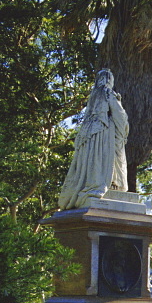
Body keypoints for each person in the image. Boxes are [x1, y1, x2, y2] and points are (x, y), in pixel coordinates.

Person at [58, 69, 129, 210]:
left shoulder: (93, 96)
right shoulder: (108, 93)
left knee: (92, 161)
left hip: (89, 134)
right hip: (105, 133)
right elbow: (119, 115)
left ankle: (91, 183)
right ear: (110, 80)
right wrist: (124, 126)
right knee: (106, 158)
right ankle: (108, 183)